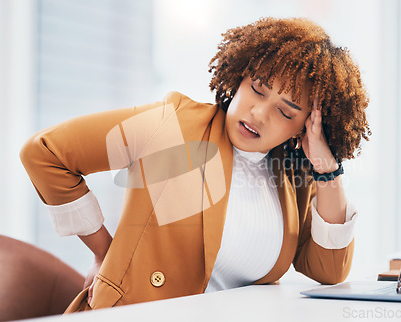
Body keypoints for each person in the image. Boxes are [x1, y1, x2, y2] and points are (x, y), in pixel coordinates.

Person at [20, 17, 370, 312]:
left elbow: (329, 270)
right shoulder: (174, 125)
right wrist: (105, 252)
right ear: (239, 78)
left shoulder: (292, 174)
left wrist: (328, 171)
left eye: (285, 111)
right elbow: (46, 153)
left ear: (305, 126)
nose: (258, 114)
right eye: (258, 89)